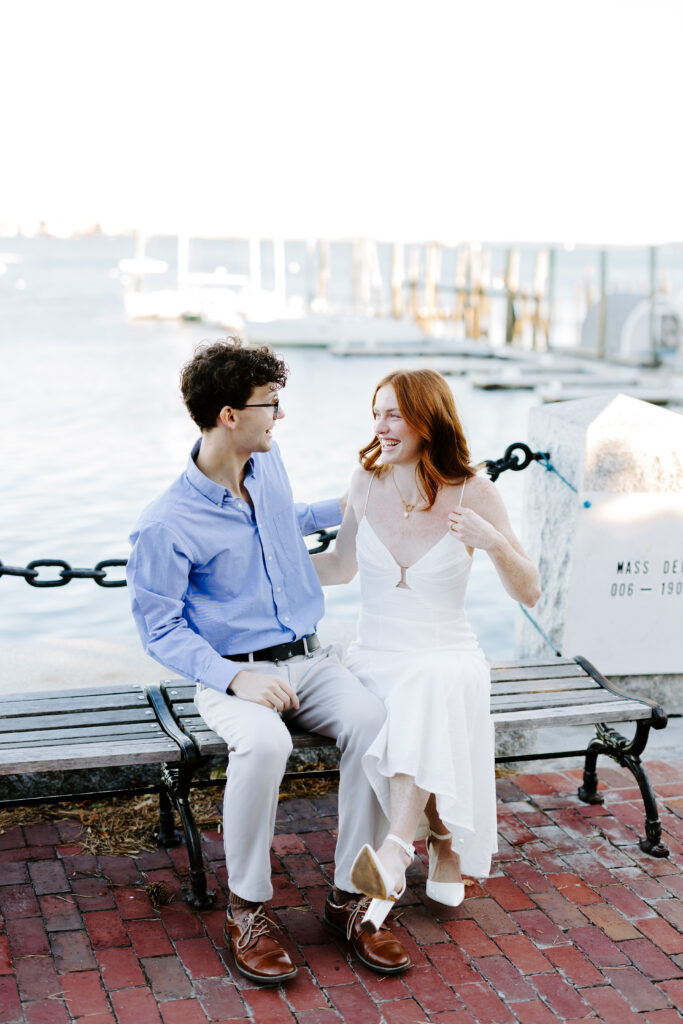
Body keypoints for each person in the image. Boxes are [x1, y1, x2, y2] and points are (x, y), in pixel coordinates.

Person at [126, 339, 411, 983]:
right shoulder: (165, 524)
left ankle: (353, 896)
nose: (278, 415)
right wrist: (236, 678)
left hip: (310, 661)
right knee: (264, 745)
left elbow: (282, 519)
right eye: (269, 404)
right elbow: (160, 629)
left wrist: (359, 501)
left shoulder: (268, 465)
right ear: (229, 415)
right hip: (230, 673)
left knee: (374, 721)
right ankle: (248, 908)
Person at [312, 368, 540, 932]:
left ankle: (395, 850)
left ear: (426, 419)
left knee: (429, 680)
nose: (380, 426)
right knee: (413, 688)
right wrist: (261, 572)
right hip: (376, 651)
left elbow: (530, 589)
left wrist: (492, 544)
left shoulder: (475, 491)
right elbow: (340, 567)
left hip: (447, 650)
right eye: (376, 413)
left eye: (392, 414)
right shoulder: (366, 481)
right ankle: (437, 838)